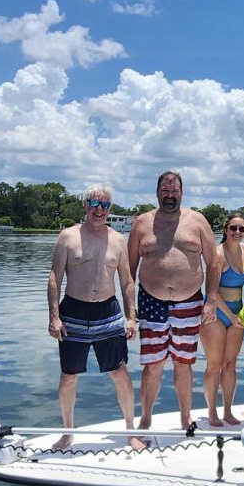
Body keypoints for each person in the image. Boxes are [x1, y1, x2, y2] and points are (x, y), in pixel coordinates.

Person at [47, 184, 144, 451]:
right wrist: (54, 317)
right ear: (85, 206)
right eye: (93, 203)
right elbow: (55, 277)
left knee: (119, 373)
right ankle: (67, 432)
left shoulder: (117, 240)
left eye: (104, 205)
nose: (98, 209)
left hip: (108, 314)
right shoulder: (67, 237)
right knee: (69, 376)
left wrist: (131, 317)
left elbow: (127, 282)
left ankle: (130, 431)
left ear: (109, 209)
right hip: (73, 313)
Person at [127, 170, 219, 430]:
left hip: (189, 301)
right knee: (152, 364)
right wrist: (129, 308)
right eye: (165, 191)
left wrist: (210, 300)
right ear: (157, 193)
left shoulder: (197, 221)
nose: (169, 195)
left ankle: (185, 416)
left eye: (174, 191)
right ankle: (145, 419)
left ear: (181, 192)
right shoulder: (141, 223)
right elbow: (128, 270)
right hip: (150, 301)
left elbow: (213, 263)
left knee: (184, 362)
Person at [200, 213, 244, 427]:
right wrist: (231, 316)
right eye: (233, 228)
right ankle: (212, 411)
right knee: (214, 365)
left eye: (241, 228)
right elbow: (211, 291)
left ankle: (228, 411)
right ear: (225, 229)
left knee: (230, 365)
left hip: (238, 312)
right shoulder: (218, 255)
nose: (237, 232)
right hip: (216, 313)